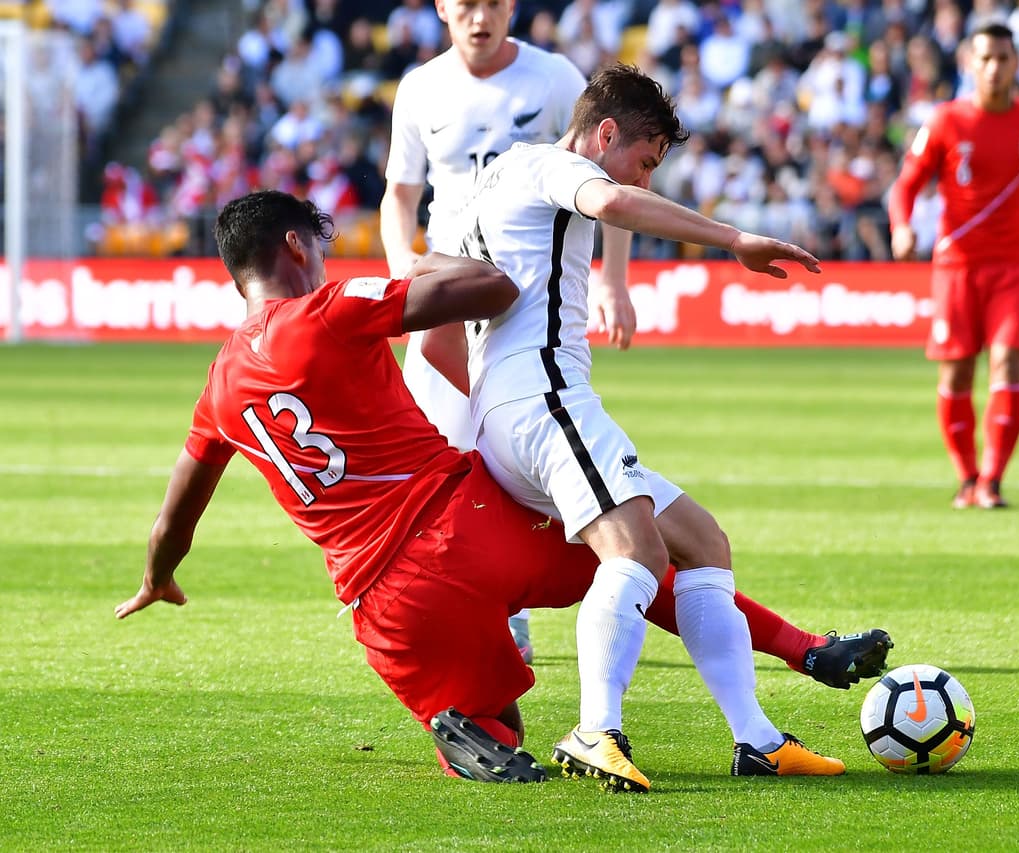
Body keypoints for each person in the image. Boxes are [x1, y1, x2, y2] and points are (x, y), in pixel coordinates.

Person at [115, 191, 894, 786]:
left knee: (502, 727)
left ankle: (457, 729)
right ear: (294, 245)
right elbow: (490, 290)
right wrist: (428, 264)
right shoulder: (326, 308)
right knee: (639, 559)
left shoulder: (217, 385)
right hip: (462, 523)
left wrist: (158, 574)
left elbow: (177, 510)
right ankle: (803, 651)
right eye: (317, 246)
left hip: (381, 605)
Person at [435, 64, 871, 793]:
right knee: (634, 553)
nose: (642, 177)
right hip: (544, 398)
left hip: (515, 406)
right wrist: (734, 237)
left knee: (702, 540)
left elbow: (438, 331)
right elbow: (610, 200)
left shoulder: (494, 177)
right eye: (644, 159)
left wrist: (487, 410)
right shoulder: (557, 166)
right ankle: (593, 728)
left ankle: (756, 739)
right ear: (605, 133)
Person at [379, 0, 638, 662]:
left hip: (524, 299)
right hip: (445, 294)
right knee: (442, 463)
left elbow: (606, 176)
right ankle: (447, 602)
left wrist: (612, 280)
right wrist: (401, 271)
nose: (479, 16)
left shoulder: (554, 77)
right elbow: (401, 194)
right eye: (465, 3)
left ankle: (511, 604)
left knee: (510, 460)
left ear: (512, 7)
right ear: (442, 8)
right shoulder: (421, 87)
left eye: (493, 2)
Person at [888, 23, 1019, 510]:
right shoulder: (946, 120)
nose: (995, 67)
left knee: (1007, 361)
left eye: (1004, 58)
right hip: (956, 268)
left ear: (1017, 64)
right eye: (986, 58)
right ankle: (967, 476)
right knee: (955, 375)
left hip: (1014, 268)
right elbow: (906, 185)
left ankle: (992, 480)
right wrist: (901, 227)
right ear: (970, 64)